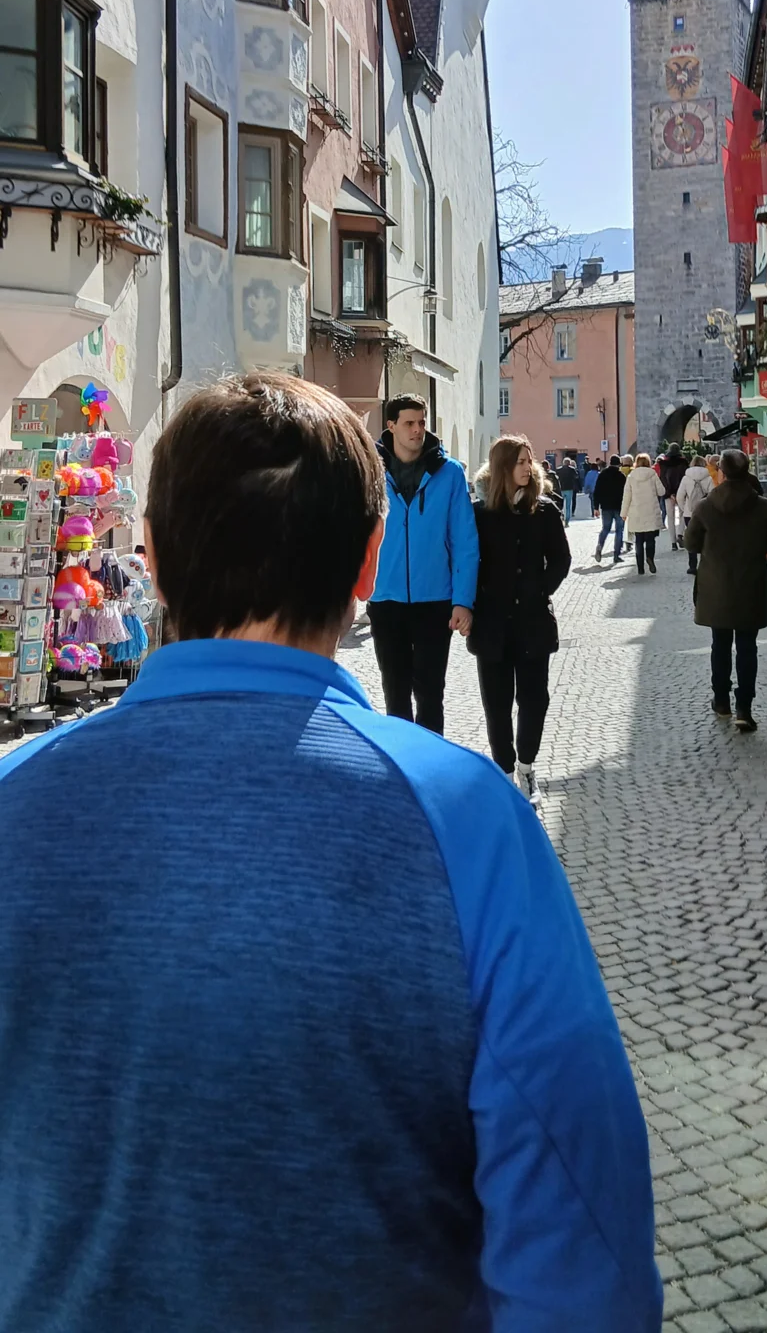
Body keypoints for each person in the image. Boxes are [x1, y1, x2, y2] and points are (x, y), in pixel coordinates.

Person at [0, 373, 661, 1332]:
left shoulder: (15, 802)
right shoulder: (471, 824)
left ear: (151, 558)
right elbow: (581, 1251)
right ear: (368, 562)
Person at [368, 393, 479, 735]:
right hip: (385, 600)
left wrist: (463, 600)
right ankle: (403, 763)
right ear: (391, 426)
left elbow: (464, 541)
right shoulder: (370, 470)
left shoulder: (450, 473)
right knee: (395, 695)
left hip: (435, 601)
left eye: (421, 422)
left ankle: (432, 761)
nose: (417, 430)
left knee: (431, 695)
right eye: (409, 423)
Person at [469, 435, 571, 806]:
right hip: (492, 623)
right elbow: (467, 561)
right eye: (520, 462)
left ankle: (527, 767)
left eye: (529, 461)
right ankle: (505, 772)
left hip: (532, 621)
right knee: (496, 705)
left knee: (534, 699)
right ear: (502, 468)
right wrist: (474, 600)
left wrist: (539, 589)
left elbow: (561, 559)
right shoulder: (479, 514)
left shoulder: (544, 510)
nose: (528, 468)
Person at [683, 446, 767, 732]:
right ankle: (744, 707)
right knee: (747, 647)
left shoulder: (705, 506)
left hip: (716, 586)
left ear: (722, 472)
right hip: (750, 584)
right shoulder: (762, 507)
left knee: (719, 644)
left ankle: (721, 700)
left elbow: (690, 543)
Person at [623, 452, 666, 575]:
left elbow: (627, 496)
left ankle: (640, 568)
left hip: (636, 511)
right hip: (651, 511)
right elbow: (662, 491)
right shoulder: (652, 474)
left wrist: (624, 513)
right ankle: (650, 558)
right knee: (650, 539)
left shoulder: (631, 476)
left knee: (639, 541)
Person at [676, 456, 712, 576]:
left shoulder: (686, 478)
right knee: (705, 538)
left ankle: (692, 565)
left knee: (691, 537)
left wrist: (684, 508)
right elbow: (713, 495)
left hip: (689, 513)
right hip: (705, 512)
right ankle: (705, 564)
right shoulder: (708, 478)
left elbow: (680, 496)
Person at [593, 454, 627, 564]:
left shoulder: (603, 474)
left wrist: (596, 507)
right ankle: (616, 555)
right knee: (619, 530)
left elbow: (597, 491)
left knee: (605, 529)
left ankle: (600, 545)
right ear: (619, 464)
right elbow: (626, 493)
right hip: (619, 507)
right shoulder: (621, 476)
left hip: (606, 506)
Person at [658, 444, 689, 550]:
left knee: (670, 518)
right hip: (681, 492)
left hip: (668, 493)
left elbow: (663, 479)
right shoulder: (683, 462)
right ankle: (680, 534)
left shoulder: (663, 464)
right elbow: (685, 478)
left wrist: (670, 493)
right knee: (683, 514)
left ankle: (673, 543)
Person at [557, 454, 580, 525]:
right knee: (568, 506)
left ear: (563, 462)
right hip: (569, 489)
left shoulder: (558, 470)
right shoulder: (572, 469)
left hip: (561, 489)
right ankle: (567, 521)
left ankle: (561, 517)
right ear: (569, 463)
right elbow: (576, 477)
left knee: (560, 505)